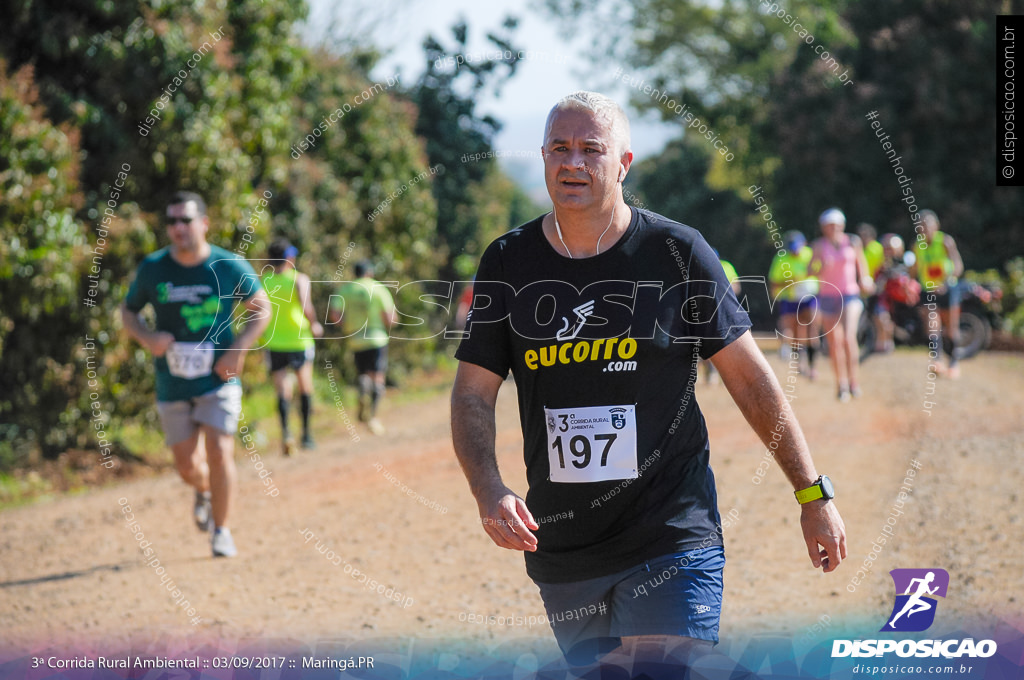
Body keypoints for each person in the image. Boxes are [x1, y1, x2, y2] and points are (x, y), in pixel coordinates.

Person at [450, 92, 846, 665]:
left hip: (671, 528)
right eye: (560, 148)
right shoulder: (509, 261)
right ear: (542, 157)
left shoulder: (675, 252)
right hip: (566, 544)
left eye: (592, 149)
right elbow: (472, 391)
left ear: (623, 163)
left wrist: (812, 493)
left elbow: (750, 381)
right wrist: (487, 487)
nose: (574, 163)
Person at [121, 191, 270, 558]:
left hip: (218, 378)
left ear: (203, 223)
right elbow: (129, 311)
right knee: (187, 466)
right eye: (171, 221)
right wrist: (148, 337)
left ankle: (222, 530)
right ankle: (202, 489)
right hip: (172, 382)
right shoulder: (153, 268)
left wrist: (238, 350)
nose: (177, 228)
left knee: (220, 451)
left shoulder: (228, 265)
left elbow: (261, 308)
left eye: (185, 220)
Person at [259, 238, 324, 455]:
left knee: (282, 389)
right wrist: (314, 324)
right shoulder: (299, 279)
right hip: (299, 339)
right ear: (289, 258)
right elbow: (306, 305)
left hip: (273, 341)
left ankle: (286, 434)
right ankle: (306, 435)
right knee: (305, 386)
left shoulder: (264, 281)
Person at [809, 209, 873, 401]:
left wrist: (866, 280)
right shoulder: (819, 246)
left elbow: (861, 265)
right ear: (824, 227)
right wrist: (820, 265)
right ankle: (841, 385)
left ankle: (854, 382)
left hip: (850, 294)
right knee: (834, 343)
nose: (833, 228)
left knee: (848, 337)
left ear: (842, 225)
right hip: (828, 295)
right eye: (830, 225)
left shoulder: (853, 242)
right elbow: (810, 270)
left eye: (837, 225)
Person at [328, 260, 396, 435]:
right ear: (370, 273)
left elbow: (335, 315)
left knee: (363, 373)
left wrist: (346, 324)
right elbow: (390, 318)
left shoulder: (345, 290)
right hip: (377, 338)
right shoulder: (379, 288)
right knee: (378, 377)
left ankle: (362, 388)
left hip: (355, 339)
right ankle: (373, 417)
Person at [912, 210, 965, 378]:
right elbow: (915, 269)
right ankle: (937, 361)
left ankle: (954, 363)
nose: (924, 229)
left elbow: (958, 266)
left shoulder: (945, 241)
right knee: (932, 325)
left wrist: (946, 282)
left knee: (951, 330)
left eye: (927, 225)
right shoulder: (917, 245)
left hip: (947, 289)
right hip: (928, 290)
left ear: (936, 226)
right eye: (921, 226)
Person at [768, 231, 820, 378]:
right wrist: (790, 281)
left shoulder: (810, 254)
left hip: (810, 297)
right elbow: (774, 281)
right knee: (795, 333)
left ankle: (812, 367)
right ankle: (800, 364)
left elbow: (820, 272)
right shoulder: (781, 258)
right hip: (790, 299)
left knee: (812, 331)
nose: (795, 251)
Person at [873, 234, 920, 353]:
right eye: (886, 248)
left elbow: (912, 277)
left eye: (891, 248)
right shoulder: (883, 266)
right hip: (888, 299)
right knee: (882, 316)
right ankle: (884, 344)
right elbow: (878, 283)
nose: (889, 251)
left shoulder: (908, 262)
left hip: (906, 300)